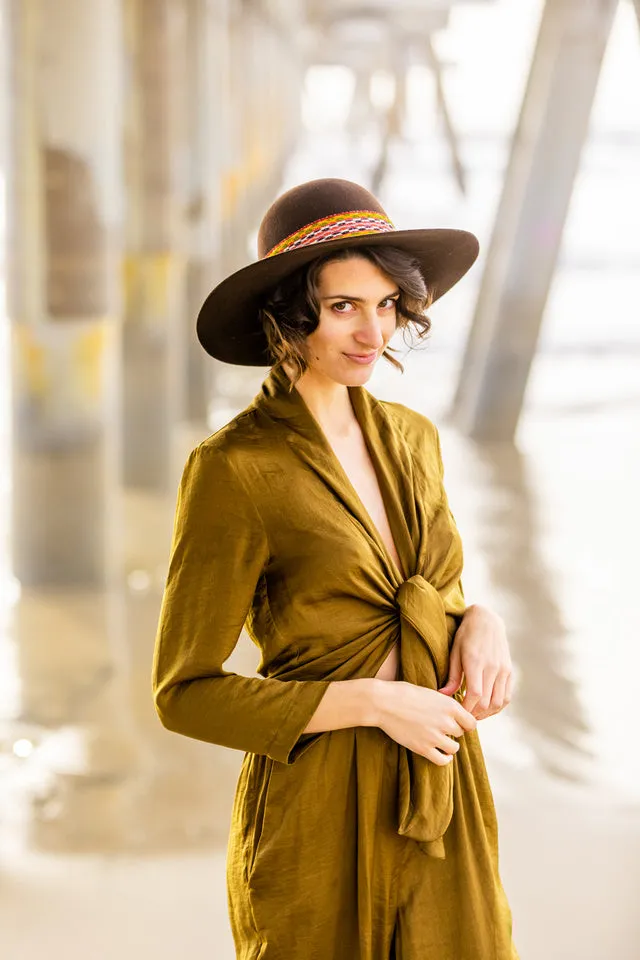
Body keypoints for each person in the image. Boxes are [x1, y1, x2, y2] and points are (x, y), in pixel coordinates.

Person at [152, 178, 519, 959]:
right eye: (344, 306)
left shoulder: (415, 437)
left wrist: (483, 622)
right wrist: (374, 704)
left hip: (443, 790)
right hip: (318, 808)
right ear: (289, 314)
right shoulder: (235, 469)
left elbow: (436, 591)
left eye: (386, 304)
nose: (371, 332)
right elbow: (183, 694)